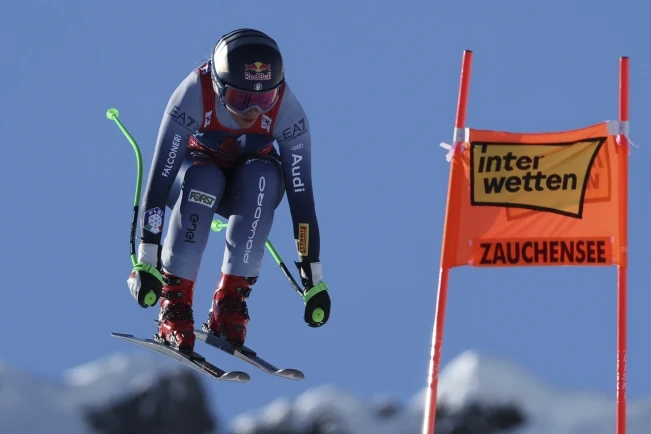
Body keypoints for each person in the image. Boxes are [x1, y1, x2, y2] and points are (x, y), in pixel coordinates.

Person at [126, 28, 331, 352]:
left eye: (264, 100)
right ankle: (175, 303)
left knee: (263, 176)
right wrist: (146, 258)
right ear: (218, 85)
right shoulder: (194, 94)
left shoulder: (289, 113)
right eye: (241, 99)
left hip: (247, 187)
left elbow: (302, 202)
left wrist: (314, 280)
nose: (253, 111)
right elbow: (160, 180)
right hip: (191, 177)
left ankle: (230, 302)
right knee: (205, 179)